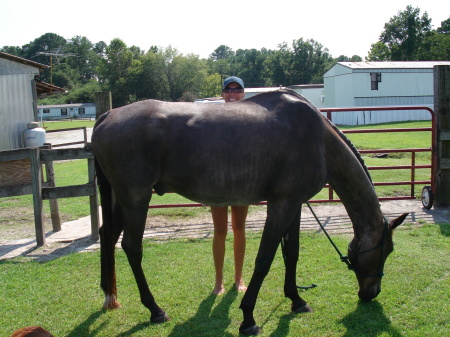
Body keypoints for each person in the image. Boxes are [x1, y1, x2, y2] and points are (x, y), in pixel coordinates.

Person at [211, 76, 249, 295]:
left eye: (237, 90)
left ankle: (238, 277)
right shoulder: (213, 118)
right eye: (228, 90)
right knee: (219, 230)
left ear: (243, 93)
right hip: (217, 181)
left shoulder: (251, 119)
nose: (232, 94)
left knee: (239, 228)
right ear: (223, 94)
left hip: (243, 181)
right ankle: (218, 281)